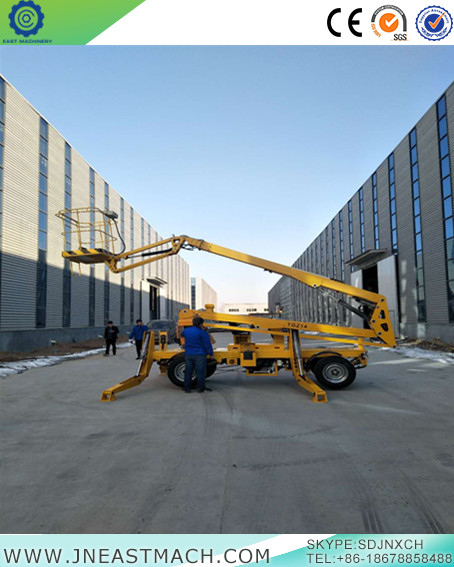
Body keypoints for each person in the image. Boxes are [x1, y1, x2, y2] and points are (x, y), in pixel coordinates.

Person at [182, 316, 214, 393]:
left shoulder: (186, 330)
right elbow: (207, 344)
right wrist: (211, 353)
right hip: (199, 354)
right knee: (200, 372)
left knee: (188, 371)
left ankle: (187, 388)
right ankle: (200, 388)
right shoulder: (202, 333)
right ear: (201, 324)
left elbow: (182, 335)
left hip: (188, 354)